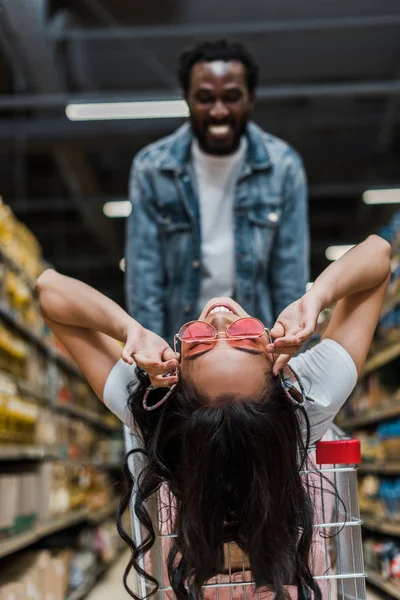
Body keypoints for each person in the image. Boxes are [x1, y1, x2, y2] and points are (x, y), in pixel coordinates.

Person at [36, 234, 391, 600]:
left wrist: (130, 329)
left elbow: (49, 290)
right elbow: (378, 256)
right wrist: (314, 299)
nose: (220, 316)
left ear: (174, 378)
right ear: (277, 370)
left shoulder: (159, 415)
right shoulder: (305, 400)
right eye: (243, 338)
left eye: (201, 340)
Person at [125, 39, 309, 344]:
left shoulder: (283, 167)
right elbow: (145, 279)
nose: (219, 111)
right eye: (205, 98)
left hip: (255, 342)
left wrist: (286, 357)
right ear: (186, 98)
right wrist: (155, 361)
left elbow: (289, 276)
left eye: (232, 97)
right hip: (181, 342)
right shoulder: (152, 169)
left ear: (251, 98)